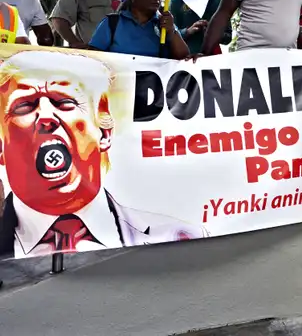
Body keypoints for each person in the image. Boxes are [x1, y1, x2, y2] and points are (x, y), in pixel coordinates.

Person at [0, 51, 207, 258]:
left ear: (104, 133)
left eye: (64, 102)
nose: (46, 117)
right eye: (24, 106)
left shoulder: (179, 235)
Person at [88, 0, 188, 59]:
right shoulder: (112, 23)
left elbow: (183, 56)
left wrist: (171, 30)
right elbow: (93, 58)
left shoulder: (164, 24)